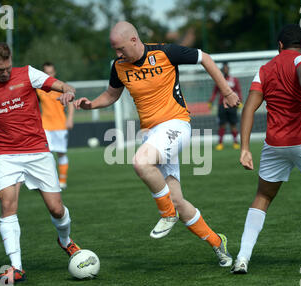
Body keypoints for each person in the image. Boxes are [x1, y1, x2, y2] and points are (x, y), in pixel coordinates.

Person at [74, 21, 240, 267]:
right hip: (152, 135)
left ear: (133, 40)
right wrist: (91, 105)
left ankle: (166, 214)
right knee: (177, 200)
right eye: (114, 50)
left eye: (120, 48)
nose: (117, 54)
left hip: (176, 124)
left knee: (141, 162)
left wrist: (226, 92)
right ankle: (218, 243)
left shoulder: (165, 52)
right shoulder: (119, 67)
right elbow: (111, 94)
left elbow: (204, 57)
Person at [0, 43, 82, 283]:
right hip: (6, 155)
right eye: (0, 70)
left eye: (8, 67)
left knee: (56, 209)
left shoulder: (28, 73)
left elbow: (62, 85)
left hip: (38, 152)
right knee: (7, 204)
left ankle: (65, 241)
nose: (6, 73)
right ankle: (16, 266)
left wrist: (68, 92)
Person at [231, 25, 301, 274]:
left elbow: (249, 108)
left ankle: (242, 258)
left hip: (275, 145)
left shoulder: (265, 70)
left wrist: (244, 148)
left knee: (263, 197)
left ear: (280, 45)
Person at [37, 62, 75, 189]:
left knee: (61, 154)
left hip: (60, 125)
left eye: (51, 72)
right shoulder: (38, 88)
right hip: (45, 126)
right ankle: (47, 182)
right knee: (44, 154)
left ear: (55, 72)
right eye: (46, 73)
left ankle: (62, 180)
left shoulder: (60, 87)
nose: (49, 75)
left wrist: (70, 118)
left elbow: (70, 103)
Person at [208, 63, 243, 150]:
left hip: (232, 104)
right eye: (224, 69)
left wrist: (240, 101)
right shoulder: (219, 80)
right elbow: (215, 92)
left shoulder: (234, 80)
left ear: (229, 70)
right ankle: (220, 143)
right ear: (222, 70)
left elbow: (238, 90)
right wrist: (211, 101)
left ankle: (235, 142)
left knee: (233, 124)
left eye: (227, 69)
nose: (226, 70)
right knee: (222, 125)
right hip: (221, 105)